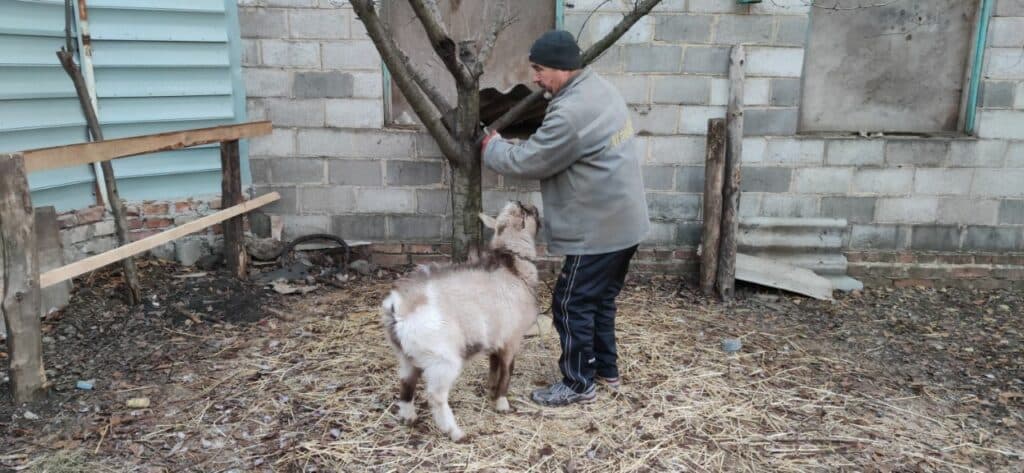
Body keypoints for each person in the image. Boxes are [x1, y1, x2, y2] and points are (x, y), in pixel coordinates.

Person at [481, 30, 649, 407]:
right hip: (623, 221)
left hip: (600, 230)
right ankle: (605, 371)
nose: (535, 77)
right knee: (598, 300)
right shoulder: (597, 88)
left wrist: (491, 148)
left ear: (561, 67)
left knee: (570, 304)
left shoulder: (572, 111)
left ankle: (578, 383)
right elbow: (553, 146)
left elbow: (531, 160)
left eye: (539, 69)